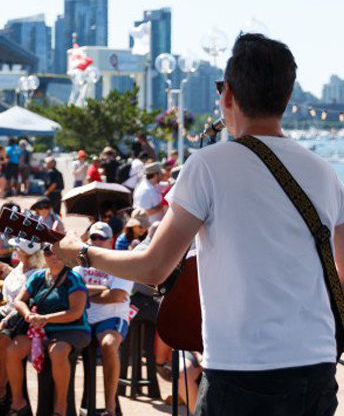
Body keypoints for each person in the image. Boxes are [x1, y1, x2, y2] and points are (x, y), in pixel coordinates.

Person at [55, 33, 344, 416]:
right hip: (315, 366)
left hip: (241, 370)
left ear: (228, 96)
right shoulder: (325, 173)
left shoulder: (207, 166)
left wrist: (83, 253)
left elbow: (154, 267)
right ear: (287, 99)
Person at [5, 245, 89, 416]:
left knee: (57, 351)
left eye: (57, 251)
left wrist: (46, 319)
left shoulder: (73, 278)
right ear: (44, 255)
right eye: (48, 252)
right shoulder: (37, 276)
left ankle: (60, 407)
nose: (53, 255)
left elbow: (76, 312)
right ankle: (18, 402)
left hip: (72, 328)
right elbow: (19, 301)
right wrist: (28, 314)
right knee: (13, 350)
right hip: (40, 329)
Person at [0, 237, 46, 410]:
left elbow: (23, 304)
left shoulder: (35, 274)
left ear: (26, 252)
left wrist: (2, 324)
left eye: (18, 247)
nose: (14, 249)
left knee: (3, 338)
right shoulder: (21, 266)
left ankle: (0, 388)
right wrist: (5, 269)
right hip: (6, 311)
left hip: (20, 317)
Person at [73, 222, 131, 416]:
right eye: (93, 238)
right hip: (84, 318)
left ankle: (110, 408)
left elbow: (117, 296)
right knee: (57, 344)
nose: (97, 242)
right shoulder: (81, 264)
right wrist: (102, 291)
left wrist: (85, 294)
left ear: (111, 240)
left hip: (112, 317)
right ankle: (61, 407)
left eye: (101, 238)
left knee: (108, 345)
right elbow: (71, 291)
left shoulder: (121, 261)